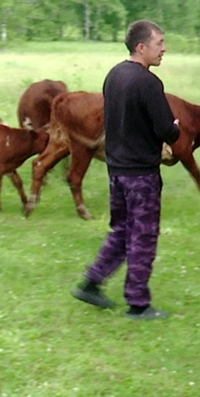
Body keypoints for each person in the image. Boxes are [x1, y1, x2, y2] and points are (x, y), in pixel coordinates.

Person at [72, 20, 180, 320]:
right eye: (160, 43)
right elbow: (165, 130)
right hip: (142, 173)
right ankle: (138, 303)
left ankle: (91, 283)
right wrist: (174, 129)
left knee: (122, 230)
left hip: (116, 170)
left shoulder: (114, 75)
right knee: (143, 236)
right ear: (141, 46)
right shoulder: (148, 82)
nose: (164, 49)